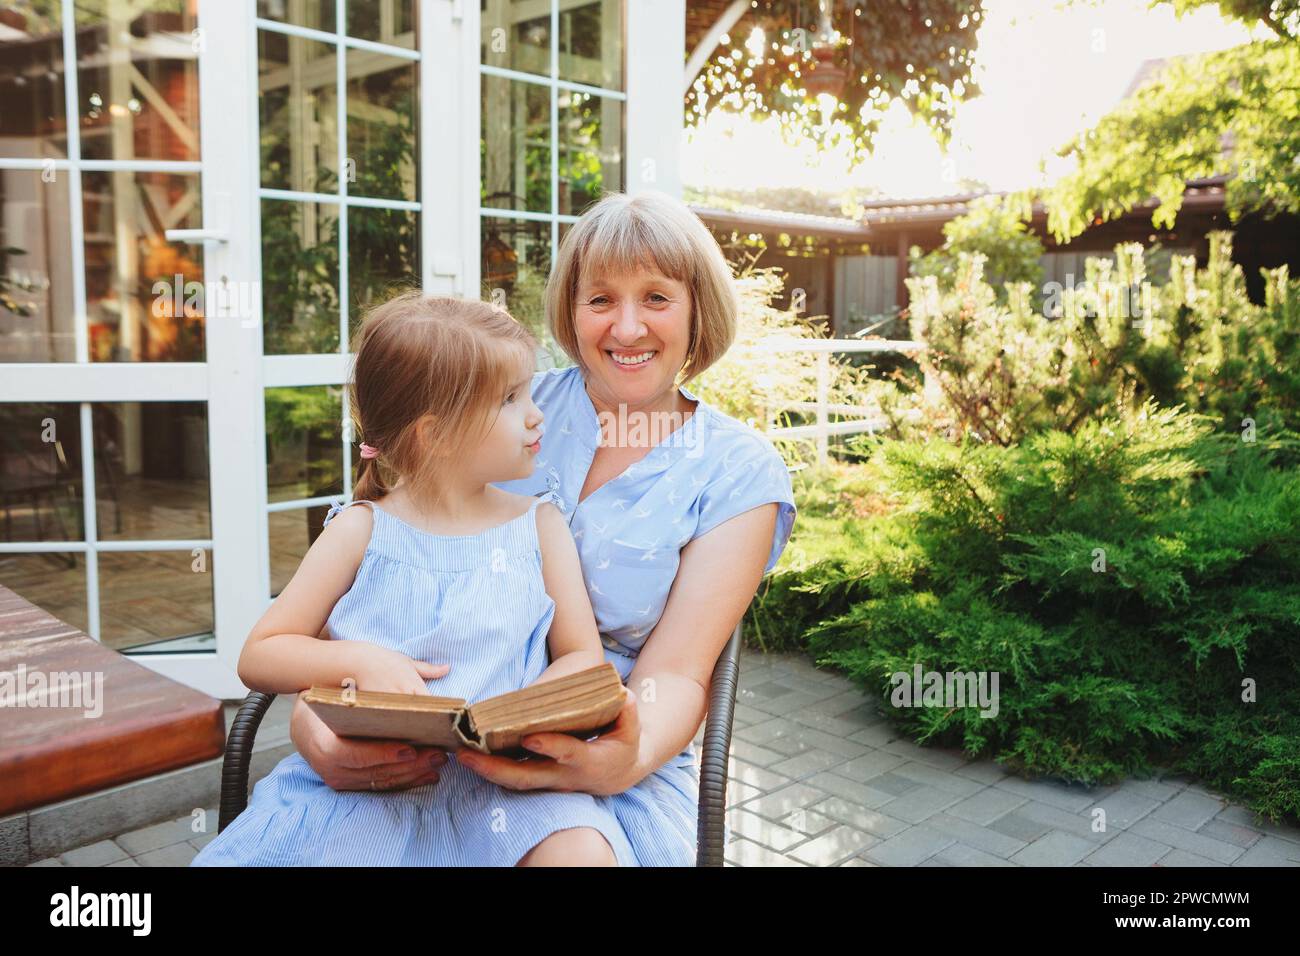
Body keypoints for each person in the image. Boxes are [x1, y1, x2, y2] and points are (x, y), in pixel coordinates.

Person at [286, 190, 798, 866]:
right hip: (418, 735)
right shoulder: (496, 400)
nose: (626, 327)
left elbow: (674, 673)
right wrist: (312, 725)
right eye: (600, 300)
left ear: (698, 306)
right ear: (570, 309)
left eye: (656, 298)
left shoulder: (738, 470)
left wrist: (623, 760)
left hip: (611, 745)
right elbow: (368, 593)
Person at [192, 293, 638, 866]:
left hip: (505, 786)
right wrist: (358, 662)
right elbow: (260, 654)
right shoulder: (361, 529)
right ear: (435, 434)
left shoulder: (539, 525)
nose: (536, 414)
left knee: (580, 853)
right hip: (376, 786)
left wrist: (526, 710)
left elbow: (581, 654)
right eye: (509, 399)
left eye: (527, 392)